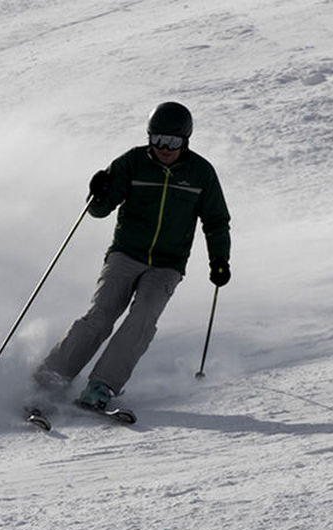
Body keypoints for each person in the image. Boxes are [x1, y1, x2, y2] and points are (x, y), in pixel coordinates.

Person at [34, 101, 232, 410]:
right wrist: (97, 191)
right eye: (158, 140)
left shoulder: (201, 174)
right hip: (126, 254)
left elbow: (216, 221)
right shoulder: (132, 163)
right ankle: (50, 380)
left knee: (141, 321)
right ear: (149, 137)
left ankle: (101, 386)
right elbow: (99, 210)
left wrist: (219, 260)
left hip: (167, 264)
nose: (165, 148)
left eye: (173, 142)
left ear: (186, 141)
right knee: (100, 316)